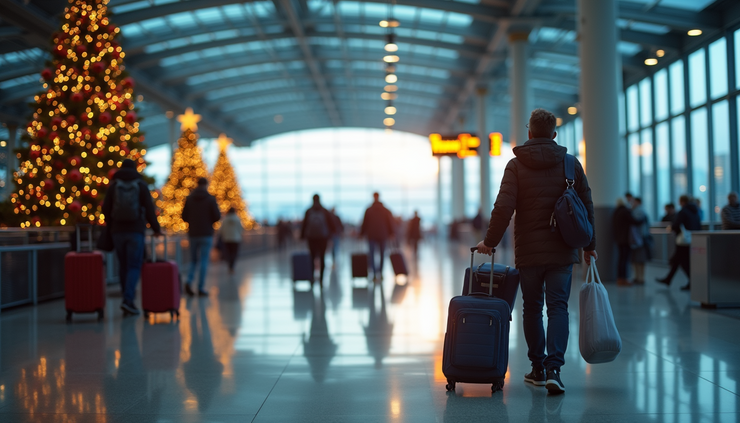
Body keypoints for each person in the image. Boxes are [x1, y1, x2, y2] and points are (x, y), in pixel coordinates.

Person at [475, 108, 596, 395]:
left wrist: (489, 242)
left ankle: (538, 368)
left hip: (529, 252)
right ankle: (555, 369)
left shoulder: (516, 166)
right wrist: (590, 247)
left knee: (532, 307)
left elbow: (503, 207)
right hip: (563, 251)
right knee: (558, 308)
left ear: (529, 132)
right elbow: (587, 207)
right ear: (554, 134)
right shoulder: (570, 165)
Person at [101, 159, 162, 316]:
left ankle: (126, 298)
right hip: (135, 231)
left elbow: (105, 208)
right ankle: (128, 300)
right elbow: (149, 208)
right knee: (134, 265)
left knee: (123, 265)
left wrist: (112, 223)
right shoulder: (140, 185)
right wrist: (156, 229)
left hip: (117, 231)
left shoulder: (114, 186)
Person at [182, 177, 221, 296]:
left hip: (193, 233)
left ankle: (189, 280)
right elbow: (217, 217)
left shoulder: (189, 199)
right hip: (206, 234)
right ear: (206, 185)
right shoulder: (210, 199)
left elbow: (184, 216)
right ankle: (200, 287)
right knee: (204, 260)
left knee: (193, 260)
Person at [657, 195, 701, 290]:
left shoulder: (683, 211)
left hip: (683, 240)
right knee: (678, 260)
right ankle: (668, 279)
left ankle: (691, 281)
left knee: (681, 261)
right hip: (692, 238)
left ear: (682, 201)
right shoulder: (695, 211)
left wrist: (672, 228)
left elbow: (676, 224)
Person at [300, 194, 336, 285]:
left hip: (311, 238)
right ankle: (321, 279)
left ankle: (312, 278)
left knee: (312, 257)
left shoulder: (308, 211)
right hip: (323, 237)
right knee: (322, 257)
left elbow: (304, 224)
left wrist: (302, 236)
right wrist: (330, 235)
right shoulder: (324, 211)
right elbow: (331, 224)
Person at [360, 192, 395, 281]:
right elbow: (390, 222)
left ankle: (374, 273)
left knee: (372, 254)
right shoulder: (385, 210)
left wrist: (361, 234)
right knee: (382, 254)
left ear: (373, 197)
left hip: (371, 235)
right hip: (383, 235)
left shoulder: (369, 209)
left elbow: (364, 223)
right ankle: (381, 273)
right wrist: (391, 233)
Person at [613, 197, 637, 286]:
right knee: (625, 260)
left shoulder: (616, 212)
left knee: (621, 259)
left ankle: (620, 278)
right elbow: (634, 221)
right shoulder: (625, 211)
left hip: (618, 239)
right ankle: (624, 279)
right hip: (626, 239)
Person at [630, 197, 651, 285]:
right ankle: (639, 277)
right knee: (638, 259)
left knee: (639, 259)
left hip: (639, 239)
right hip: (640, 239)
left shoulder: (638, 211)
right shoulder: (642, 211)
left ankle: (640, 277)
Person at [219, 208, 243, 274]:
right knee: (234, 253)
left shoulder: (225, 220)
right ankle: (232, 266)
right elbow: (240, 229)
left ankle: (230, 265)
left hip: (227, 239)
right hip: (236, 239)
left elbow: (222, 229)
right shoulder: (237, 219)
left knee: (228, 253)